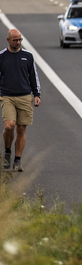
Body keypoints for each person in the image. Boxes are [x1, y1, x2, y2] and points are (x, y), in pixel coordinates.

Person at [0, 29, 41, 172]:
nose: (18, 42)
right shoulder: (2, 56)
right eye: (15, 40)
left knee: (21, 129)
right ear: (8, 40)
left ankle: (17, 160)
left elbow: (33, 76)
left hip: (24, 96)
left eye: (20, 40)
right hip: (7, 96)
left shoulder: (27, 56)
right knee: (9, 126)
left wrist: (36, 95)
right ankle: (7, 151)